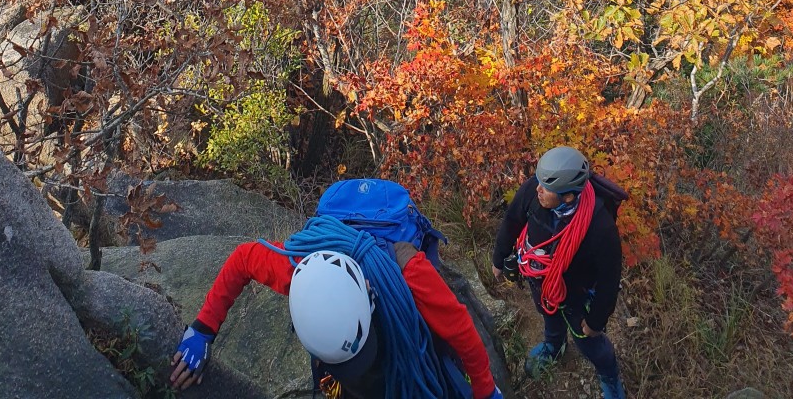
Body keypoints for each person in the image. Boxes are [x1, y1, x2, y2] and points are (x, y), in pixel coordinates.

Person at [170, 218, 504, 399]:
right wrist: (203, 329)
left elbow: (461, 329)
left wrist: (485, 388)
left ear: (370, 293)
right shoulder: (300, 272)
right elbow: (243, 259)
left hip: (401, 343)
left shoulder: (409, 274)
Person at [491, 146, 625, 399]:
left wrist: (596, 322)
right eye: (538, 181)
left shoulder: (600, 226)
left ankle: (609, 374)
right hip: (541, 283)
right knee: (548, 315)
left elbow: (610, 277)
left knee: (590, 344)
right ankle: (554, 345)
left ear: (568, 197)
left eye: (545, 187)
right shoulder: (535, 189)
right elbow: (512, 220)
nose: (536, 188)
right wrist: (499, 258)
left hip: (576, 293)